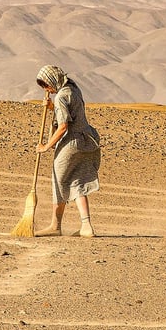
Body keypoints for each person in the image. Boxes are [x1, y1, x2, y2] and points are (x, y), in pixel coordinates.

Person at [34, 65, 101, 237]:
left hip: (71, 143)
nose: (47, 90)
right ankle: (86, 226)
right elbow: (72, 112)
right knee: (77, 181)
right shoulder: (73, 88)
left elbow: (63, 126)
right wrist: (52, 108)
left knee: (59, 181)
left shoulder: (61, 97)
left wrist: (46, 146)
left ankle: (55, 226)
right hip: (87, 140)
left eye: (46, 85)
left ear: (53, 81)